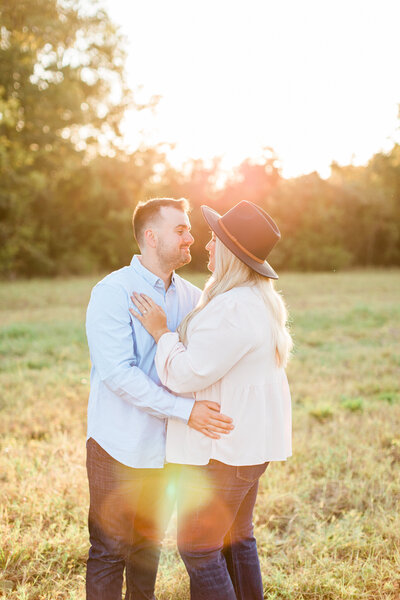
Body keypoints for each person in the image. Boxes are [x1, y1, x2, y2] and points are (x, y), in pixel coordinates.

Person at [130, 200, 293, 600]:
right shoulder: (255, 299)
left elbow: (186, 375)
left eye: (215, 240)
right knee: (236, 539)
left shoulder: (234, 308)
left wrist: (160, 332)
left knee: (199, 547)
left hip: (229, 450)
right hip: (247, 445)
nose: (205, 246)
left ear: (231, 254)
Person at [85, 197, 234, 600]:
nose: (192, 237)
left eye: (189, 229)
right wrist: (187, 412)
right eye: (181, 229)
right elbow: (119, 374)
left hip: (169, 449)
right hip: (119, 445)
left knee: (147, 550)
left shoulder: (190, 296)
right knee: (109, 552)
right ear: (151, 237)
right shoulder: (113, 291)